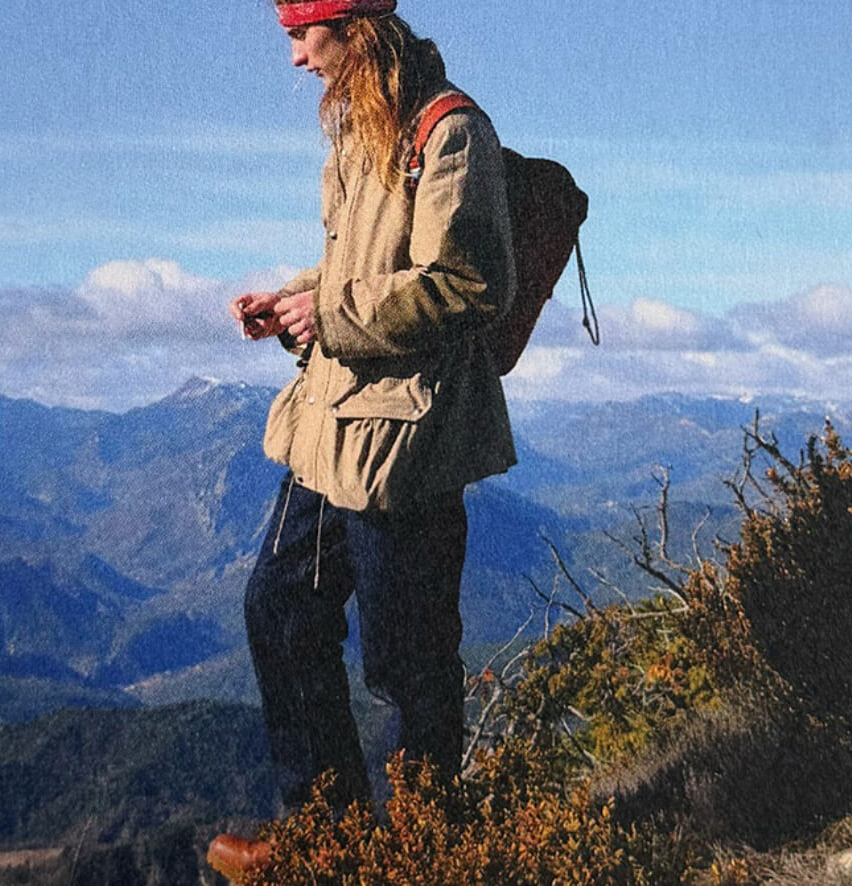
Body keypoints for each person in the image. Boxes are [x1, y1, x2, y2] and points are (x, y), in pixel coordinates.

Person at [208, 0, 516, 878]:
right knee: (279, 608)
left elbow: (469, 282)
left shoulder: (449, 132)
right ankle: (325, 834)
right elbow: (359, 266)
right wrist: (291, 300)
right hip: (330, 429)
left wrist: (331, 314)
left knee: (406, 661)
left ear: (354, 28)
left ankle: (423, 849)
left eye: (302, 36)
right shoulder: (358, 131)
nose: (296, 59)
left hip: (405, 449)